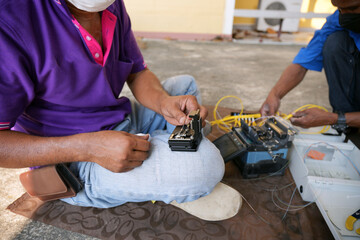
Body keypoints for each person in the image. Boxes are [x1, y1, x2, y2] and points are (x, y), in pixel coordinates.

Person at [0, 0, 241, 220]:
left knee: (184, 86)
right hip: (72, 160)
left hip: (117, 120)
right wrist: (89, 147)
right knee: (206, 164)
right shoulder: (9, 22)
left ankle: (170, 172)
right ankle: (178, 174)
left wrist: (162, 103)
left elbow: (138, 72)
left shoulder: (110, 5)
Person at [260, 0, 360, 133]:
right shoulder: (338, 19)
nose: (345, 15)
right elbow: (305, 60)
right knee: (335, 42)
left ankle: (345, 119)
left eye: (352, 9)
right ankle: (349, 122)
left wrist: (333, 119)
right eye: (341, 9)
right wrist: (275, 95)